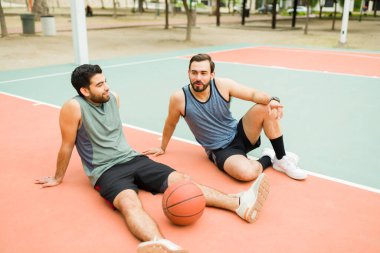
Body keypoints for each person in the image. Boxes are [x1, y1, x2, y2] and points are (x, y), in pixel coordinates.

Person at [35, 64, 270, 253]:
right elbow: (67, 145)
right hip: (106, 171)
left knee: (182, 179)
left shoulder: (113, 98)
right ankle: (162, 245)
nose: (106, 87)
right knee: (129, 202)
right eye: (99, 84)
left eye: (105, 81)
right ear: (85, 91)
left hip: (134, 158)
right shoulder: (72, 108)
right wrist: (57, 177)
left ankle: (239, 204)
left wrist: (159, 147)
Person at [143, 53, 307, 181]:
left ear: (212, 74)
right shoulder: (179, 98)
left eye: (203, 73)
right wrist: (162, 147)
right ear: (188, 73)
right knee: (246, 173)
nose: (198, 78)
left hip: (239, 133)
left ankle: (281, 158)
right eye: (194, 73)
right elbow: (170, 123)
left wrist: (272, 99)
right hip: (221, 149)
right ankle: (268, 157)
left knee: (266, 107)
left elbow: (253, 94)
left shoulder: (223, 85)